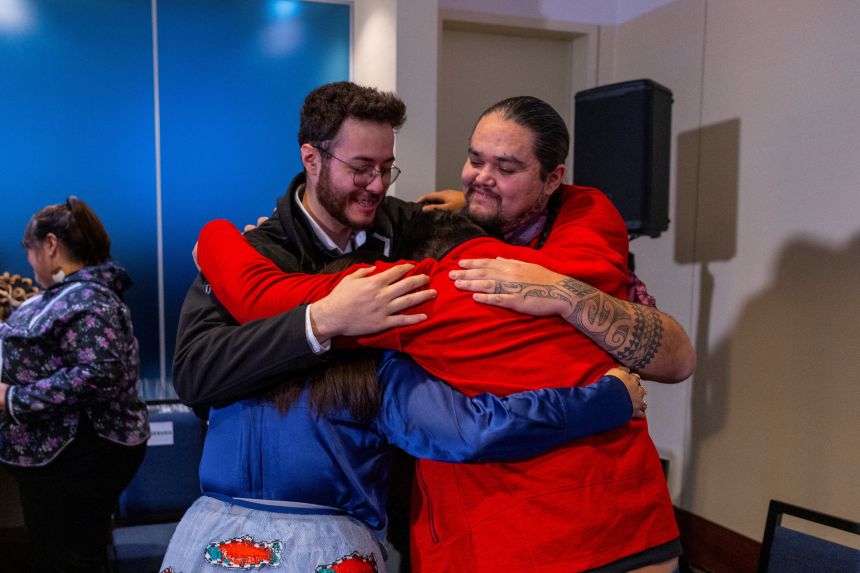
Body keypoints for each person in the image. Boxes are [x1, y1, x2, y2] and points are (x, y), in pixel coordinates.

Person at [173, 83, 693, 572]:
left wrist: (562, 294)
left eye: (386, 168)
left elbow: (677, 357)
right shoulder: (264, 251)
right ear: (311, 158)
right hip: (417, 516)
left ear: (552, 178)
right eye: (475, 161)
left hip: (547, 517)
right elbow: (198, 374)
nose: (376, 185)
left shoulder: (420, 238)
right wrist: (323, 320)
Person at [0, 196, 149, 573]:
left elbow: (99, 373)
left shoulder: (89, 298)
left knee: (69, 559)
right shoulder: (68, 297)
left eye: (29, 249)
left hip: (75, 459)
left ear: (50, 245)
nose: (29, 261)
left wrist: (15, 398)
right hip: (62, 460)